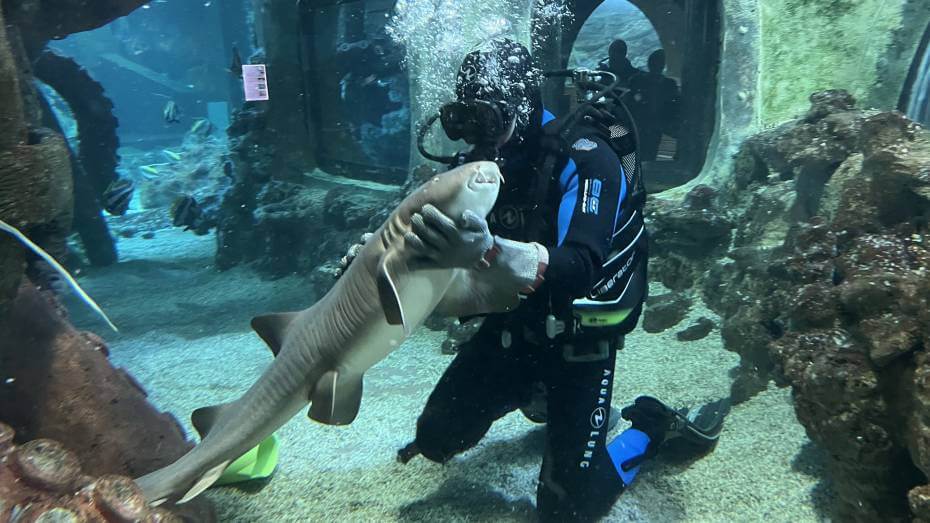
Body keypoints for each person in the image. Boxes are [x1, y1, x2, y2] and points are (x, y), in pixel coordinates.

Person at [342, 39, 728, 522]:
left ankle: (650, 426)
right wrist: (373, 268)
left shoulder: (587, 157)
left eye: (489, 118)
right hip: (517, 327)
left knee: (567, 513)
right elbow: (427, 253)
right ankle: (539, 396)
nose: (476, 139)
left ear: (521, 106)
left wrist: (489, 250)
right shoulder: (479, 168)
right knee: (435, 439)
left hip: (579, 340)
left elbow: (582, 266)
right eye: (464, 119)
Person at [627, 50, 681, 161]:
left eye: (659, 62)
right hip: (639, 126)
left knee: (649, 154)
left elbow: (674, 107)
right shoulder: (637, 81)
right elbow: (630, 101)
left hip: (657, 127)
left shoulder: (669, 85)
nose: (657, 65)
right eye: (655, 62)